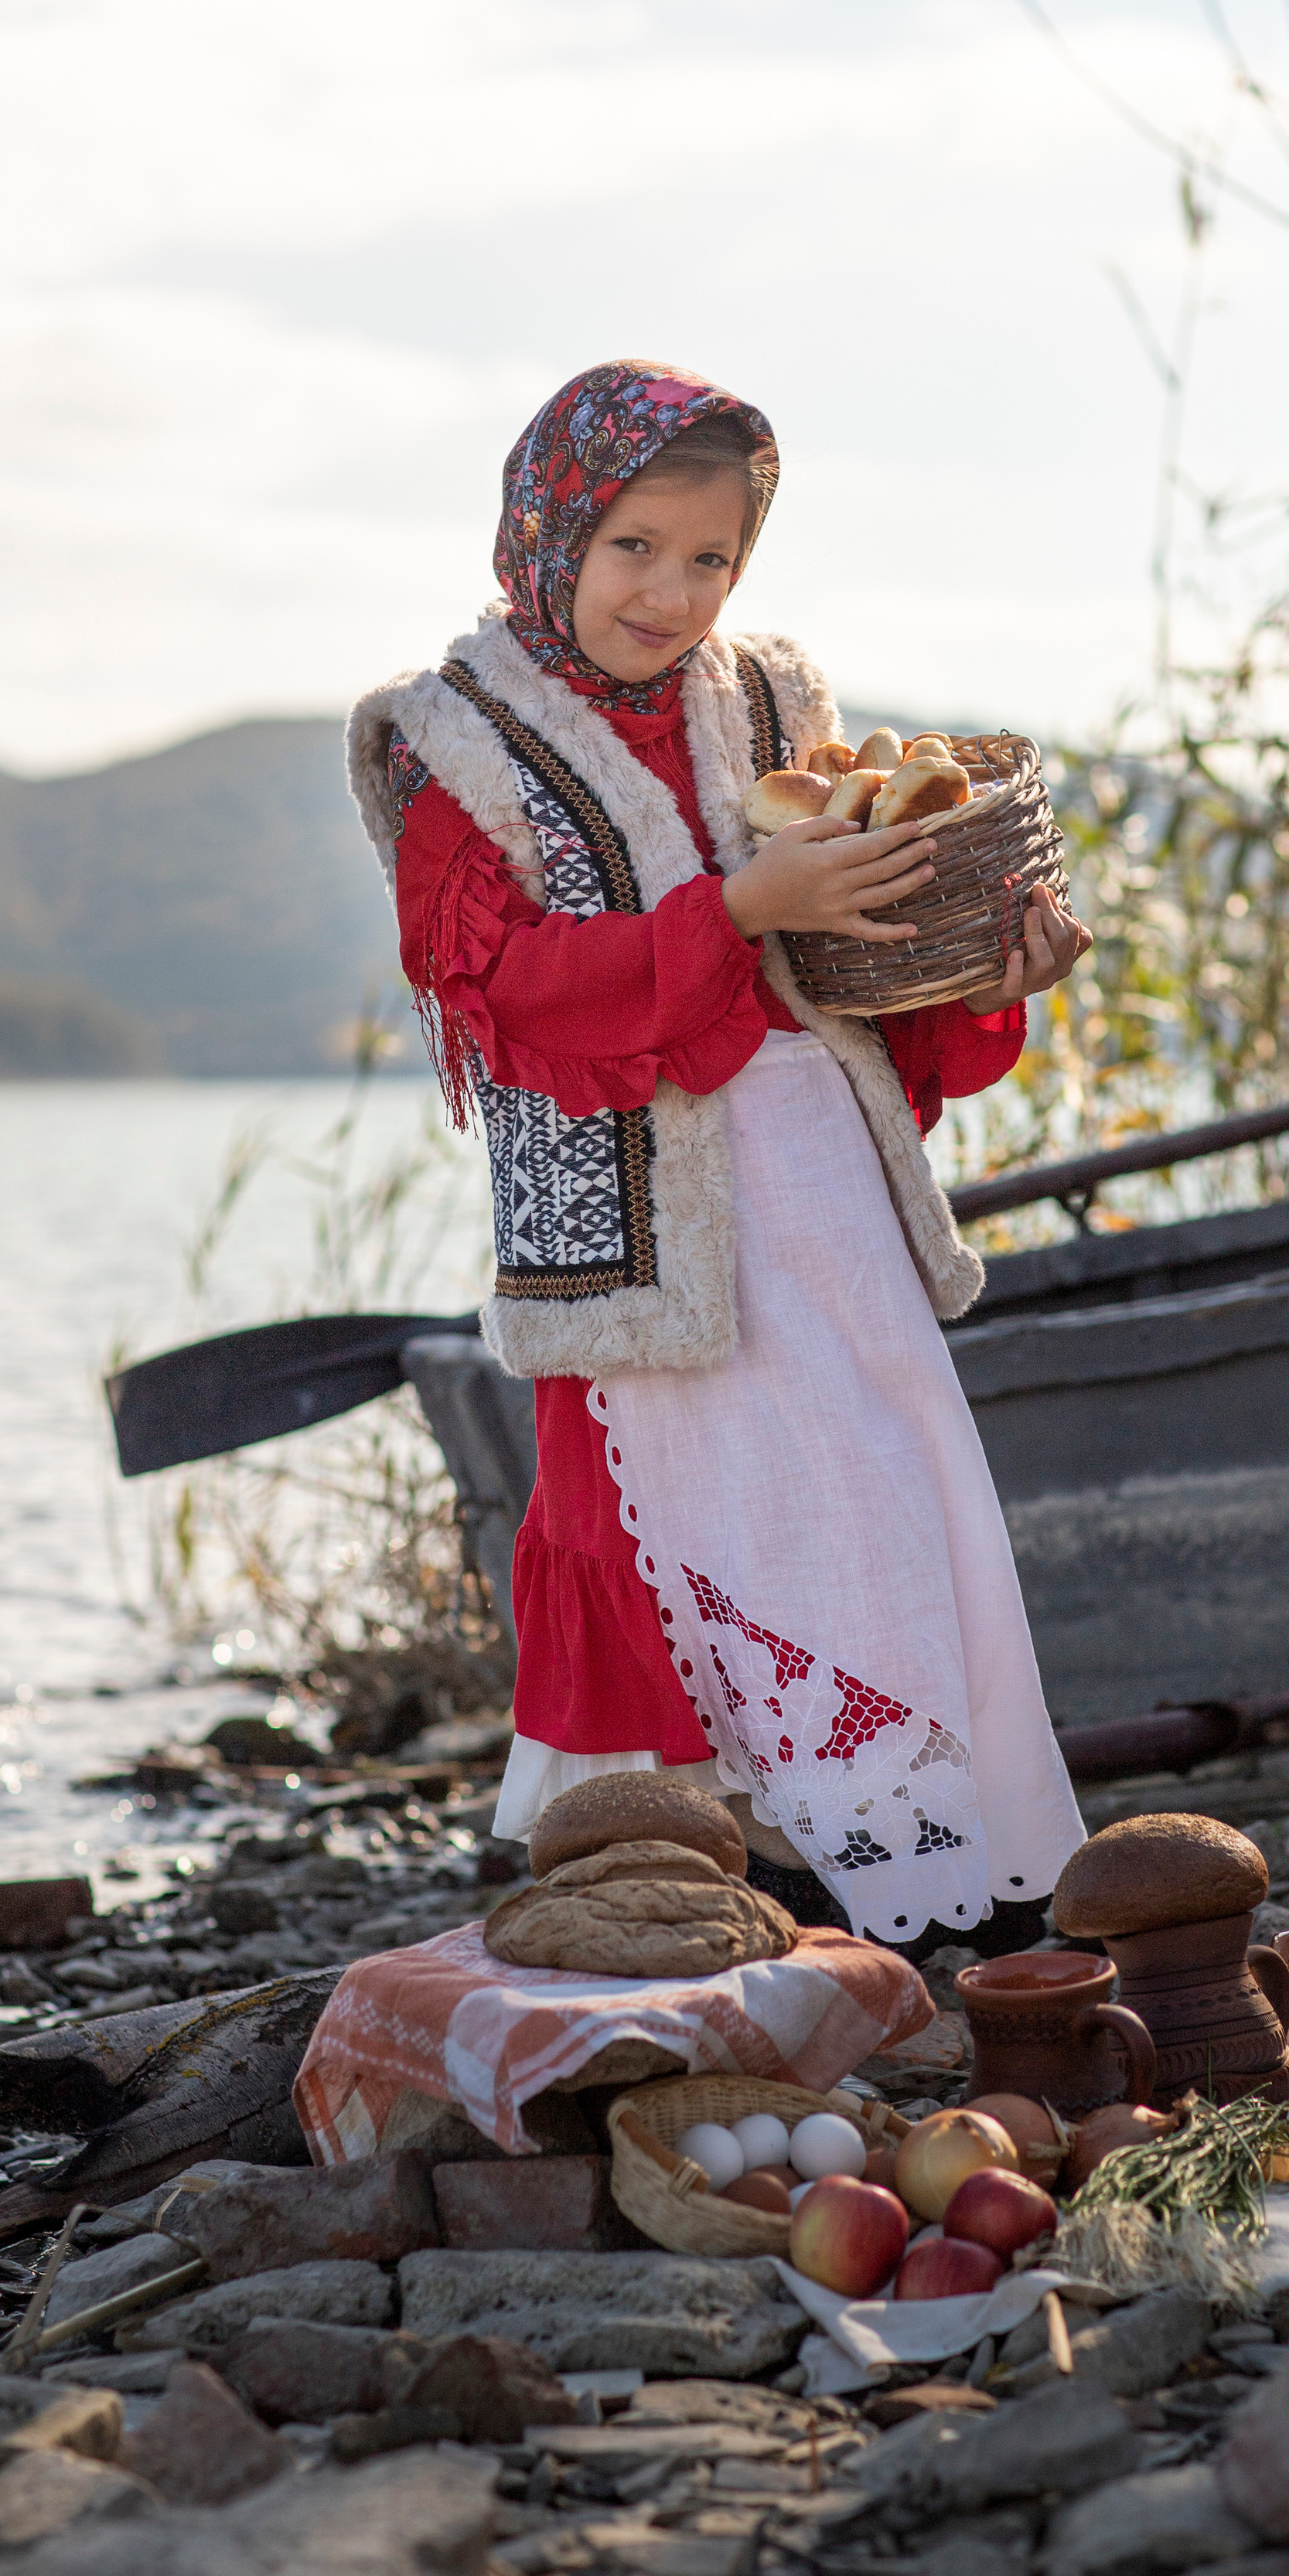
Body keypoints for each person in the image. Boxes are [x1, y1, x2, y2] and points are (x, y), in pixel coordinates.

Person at [347, 358, 1092, 1958]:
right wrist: (740, 909)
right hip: (636, 1225)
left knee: (880, 1498)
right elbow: (511, 999)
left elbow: (851, 976)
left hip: (818, 1181)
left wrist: (980, 966)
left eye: (711, 558)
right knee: (691, 1528)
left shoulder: (769, 706)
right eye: (631, 546)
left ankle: (919, 1860)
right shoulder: (450, 740)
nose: (670, 594)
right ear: (548, 530)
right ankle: (715, 1864)